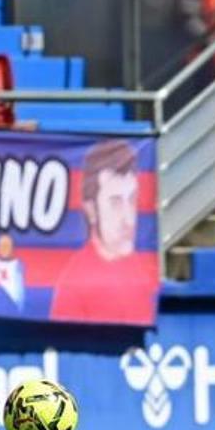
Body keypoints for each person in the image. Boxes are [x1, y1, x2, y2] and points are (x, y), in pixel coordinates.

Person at [49, 139, 157, 325]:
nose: (129, 219)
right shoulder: (74, 285)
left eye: (132, 200)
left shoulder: (142, 269)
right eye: (115, 203)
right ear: (91, 210)